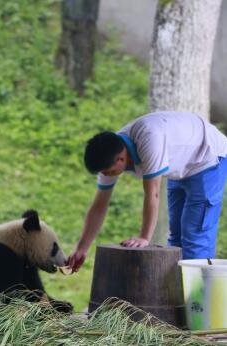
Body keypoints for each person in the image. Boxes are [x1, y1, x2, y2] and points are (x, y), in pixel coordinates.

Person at [67, 111, 227, 272]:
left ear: (121, 159)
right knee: (176, 239)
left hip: (208, 157)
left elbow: (153, 194)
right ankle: (178, 294)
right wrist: (81, 248)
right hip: (180, 165)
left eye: (107, 171)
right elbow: (99, 206)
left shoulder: (149, 139)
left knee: (195, 237)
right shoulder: (109, 153)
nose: (105, 175)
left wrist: (144, 237)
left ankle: (200, 296)